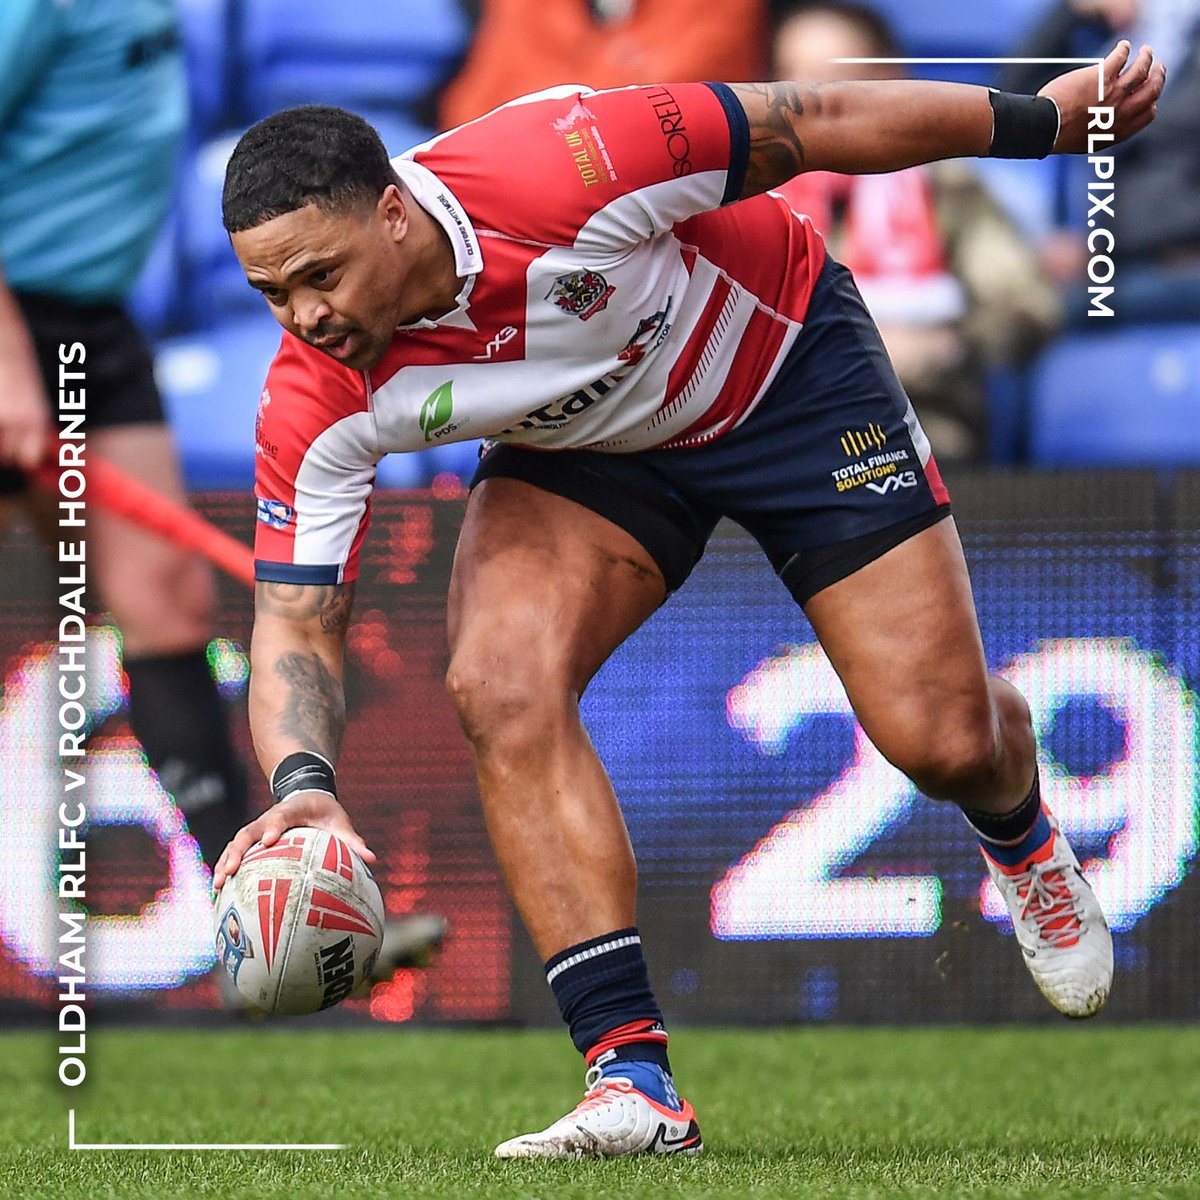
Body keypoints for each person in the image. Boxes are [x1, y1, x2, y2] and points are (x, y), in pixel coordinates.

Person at [213, 42, 1163, 1157]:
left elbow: (811, 117)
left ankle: (1026, 840)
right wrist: (305, 786)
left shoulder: (562, 163)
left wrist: (1040, 123)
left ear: (390, 214)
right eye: (270, 293)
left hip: (785, 376)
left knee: (943, 740)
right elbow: (296, 621)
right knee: (498, 683)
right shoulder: (313, 396)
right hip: (590, 452)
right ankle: (632, 1081)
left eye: (319, 276)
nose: (303, 317)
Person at [0, 0, 250, 869]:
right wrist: (7, 357)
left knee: (169, 605)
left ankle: (250, 923)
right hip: (9, 320)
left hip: (90, 328)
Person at [771, 1, 1062, 461]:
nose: (809, 100)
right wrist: (864, 351)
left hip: (920, 431)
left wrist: (947, 348)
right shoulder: (755, 201)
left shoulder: (946, 187)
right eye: (792, 79)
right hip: (785, 435)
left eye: (831, 78)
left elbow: (1025, 306)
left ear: (890, 81)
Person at [1000, 0, 1200, 322]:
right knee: (1020, 312)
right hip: (1115, 262)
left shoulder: (1186, 44)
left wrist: (1095, 247)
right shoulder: (1108, 48)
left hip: (1175, 260)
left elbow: (1153, 127)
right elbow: (1012, 103)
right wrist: (1072, 11)